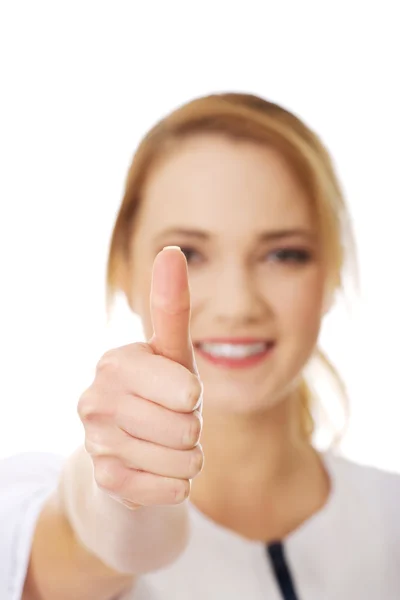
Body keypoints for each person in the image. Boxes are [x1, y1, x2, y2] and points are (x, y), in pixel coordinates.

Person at [1, 92, 399, 600]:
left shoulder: (391, 517)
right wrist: (121, 494)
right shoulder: (24, 504)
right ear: (121, 266)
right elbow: (88, 538)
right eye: (189, 252)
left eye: (283, 254)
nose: (237, 305)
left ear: (332, 271)